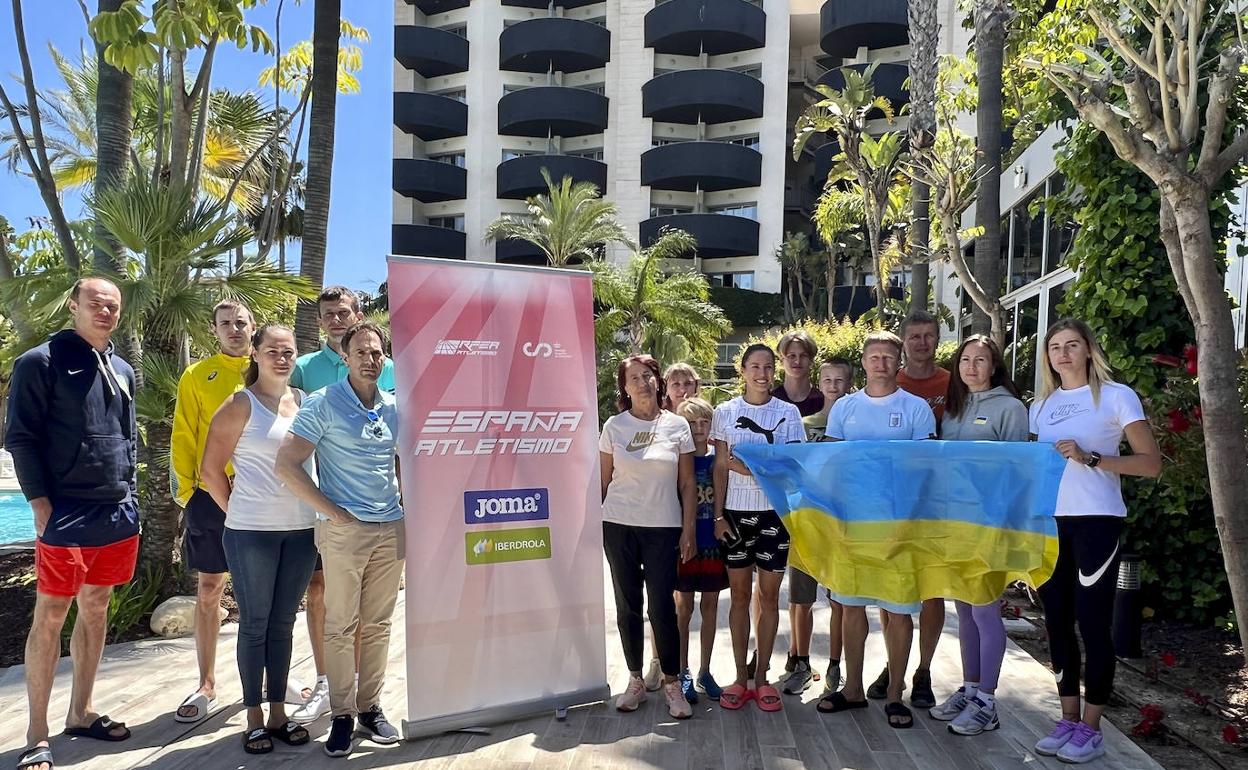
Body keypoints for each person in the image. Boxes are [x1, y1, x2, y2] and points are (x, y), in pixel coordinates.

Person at [7, 277, 138, 770]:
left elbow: (125, 439)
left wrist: (129, 493)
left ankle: (80, 712)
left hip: (116, 512)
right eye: (96, 303)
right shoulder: (39, 362)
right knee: (51, 615)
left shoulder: (122, 367)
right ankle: (37, 734)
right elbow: (20, 438)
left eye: (113, 305)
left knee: (98, 606)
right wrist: (41, 507)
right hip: (66, 512)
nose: (106, 311)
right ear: (74, 305)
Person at [1029, 319, 1160, 763]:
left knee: (1092, 623)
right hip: (1051, 524)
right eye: (1055, 347)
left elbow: (1150, 464)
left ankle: (1092, 727)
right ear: (1047, 356)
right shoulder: (1041, 405)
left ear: (1088, 350)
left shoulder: (1117, 395)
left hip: (1097, 523)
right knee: (1056, 622)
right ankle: (1067, 719)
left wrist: (1092, 458)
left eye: (1071, 345)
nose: (1062, 354)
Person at [276, 321, 405, 758]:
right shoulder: (323, 402)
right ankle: (342, 716)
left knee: (379, 626)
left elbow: (403, 463)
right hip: (343, 532)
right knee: (341, 625)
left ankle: (370, 708)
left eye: (377, 353)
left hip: (391, 527)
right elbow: (287, 464)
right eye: (361, 353)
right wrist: (332, 513)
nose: (370, 360)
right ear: (344, 357)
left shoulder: (392, 407)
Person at [201, 324, 319, 754]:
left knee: (283, 624)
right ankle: (252, 717)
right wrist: (238, 513)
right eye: (273, 350)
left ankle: (278, 713)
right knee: (254, 625)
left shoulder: (305, 403)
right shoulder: (238, 405)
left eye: (288, 351)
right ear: (256, 353)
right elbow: (210, 471)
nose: (282, 358)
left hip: (301, 531)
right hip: (251, 534)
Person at [820, 330, 935, 730]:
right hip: (853, 523)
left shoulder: (917, 408)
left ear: (898, 362)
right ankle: (852, 688)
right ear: (864, 362)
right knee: (851, 607)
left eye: (889, 357)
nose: (881, 363)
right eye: (875, 356)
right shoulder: (844, 408)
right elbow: (830, 463)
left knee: (898, 610)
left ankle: (894, 695)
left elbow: (926, 468)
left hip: (901, 525)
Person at [928, 335, 1029, 736]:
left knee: (986, 610)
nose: (971, 366)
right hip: (955, 524)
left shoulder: (1010, 408)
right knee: (965, 610)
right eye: (964, 359)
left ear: (994, 366)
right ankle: (971, 690)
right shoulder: (953, 410)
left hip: (991, 525)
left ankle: (988, 701)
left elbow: (1019, 472)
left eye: (980, 360)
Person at [169, 300, 255, 723]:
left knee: (264, 594)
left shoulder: (271, 371)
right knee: (209, 589)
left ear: (253, 327)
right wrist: (188, 493)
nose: (234, 329)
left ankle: (265, 679)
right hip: (209, 496)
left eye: (241, 322)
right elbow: (184, 433)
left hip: (264, 496)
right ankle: (206, 682)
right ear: (214, 329)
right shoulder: (197, 375)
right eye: (226, 324)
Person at [600, 355, 697, 719]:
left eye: (647, 376)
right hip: (619, 525)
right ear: (624, 387)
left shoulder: (677, 426)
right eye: (633, 378)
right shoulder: (614, 426)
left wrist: (688, 530)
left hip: (663, 527)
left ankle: (672, 684)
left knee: (661, 607)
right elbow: (604, 481)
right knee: (627, 606)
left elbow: (687, 484)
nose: (641, 383)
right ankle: (636, 681)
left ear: (658, 381)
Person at [712, 344, 805, 712]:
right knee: (738, 598)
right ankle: (739, 676)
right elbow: (721, 467)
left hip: (774, 517)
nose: (762, 374)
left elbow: (792, 468)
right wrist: (718, 516)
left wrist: (747, 466)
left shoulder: (789, 414)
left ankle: (763, 676)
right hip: (734, 515)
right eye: (754, 366)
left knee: (768, 599)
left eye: (768, 367)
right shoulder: (726, 412)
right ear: (743, 370)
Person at [872, 309, 951, 709]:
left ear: (937, 339)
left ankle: (923, 670)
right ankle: (893, 665)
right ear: (904, 343)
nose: (922, 342)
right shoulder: (890, 383)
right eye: (915, 336)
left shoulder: (952, 384)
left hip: (936, 502)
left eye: (929, 335)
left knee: (932, 591)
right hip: (892, 508)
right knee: (893, 592)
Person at [785, 359, 854, 699]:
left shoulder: (856, 425)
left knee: (841, 600)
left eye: (840, 380)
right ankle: (799, 661)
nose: (833, 385)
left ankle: (836, 663)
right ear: (819, 382)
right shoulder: (802, 424)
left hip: (843, 522)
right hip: (807, 519)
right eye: (827, 379)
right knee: (801, 599)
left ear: (849, 384)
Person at [673, 397, 728, 704]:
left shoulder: (717, 459)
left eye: (703, 422)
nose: (697, 428)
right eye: (691, 423)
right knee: (684, 609)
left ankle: (706, 670)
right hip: (685, 542)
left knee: (710, 608)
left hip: (713, 543)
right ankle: (683, 671)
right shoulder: (676, 461)